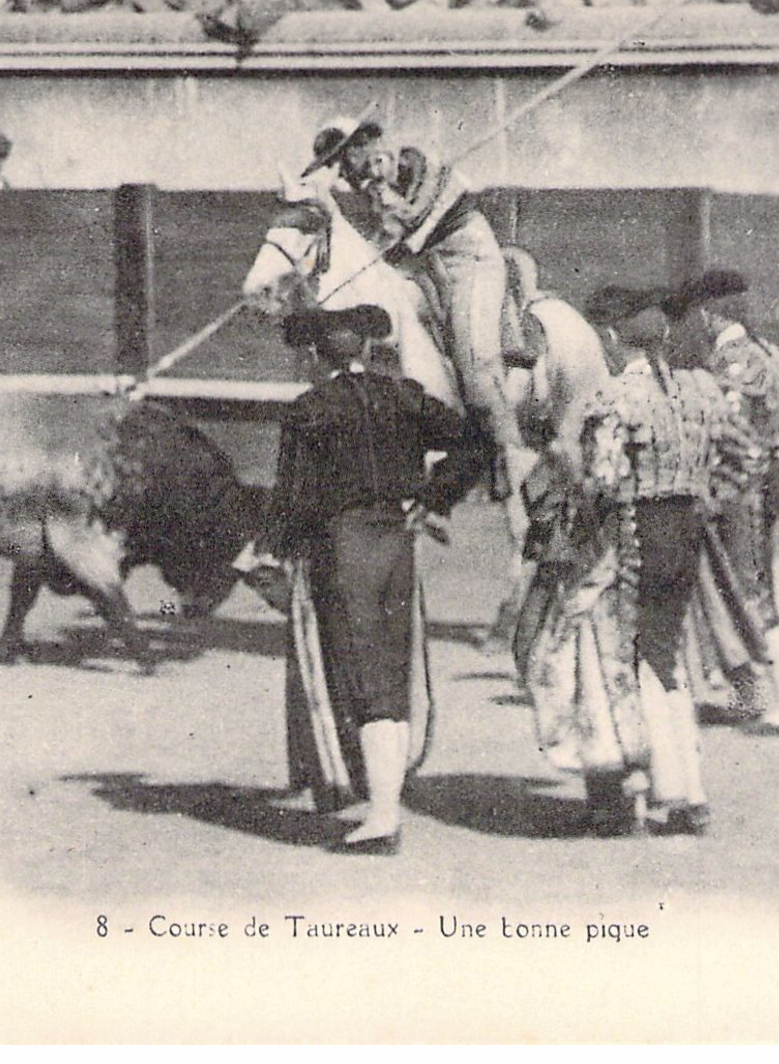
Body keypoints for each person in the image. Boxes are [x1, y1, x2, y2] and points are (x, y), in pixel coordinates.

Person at [516, 285, 753, 837]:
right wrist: (703, 500)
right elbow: (744, 456)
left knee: (638, 662)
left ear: (613, 339)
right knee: (668, 659)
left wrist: (559, 462)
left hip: (634, 539)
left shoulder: (616, 397)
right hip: (687, 536)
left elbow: (600, 481)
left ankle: (666, 794)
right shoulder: (702, 389)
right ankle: (690, 791)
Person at [258, 304, 468, 854]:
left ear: (312, 356)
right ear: (369, 350)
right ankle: (385, 806)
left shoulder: (310, 410)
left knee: (361, 673)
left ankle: (382, 816)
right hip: (397, 540)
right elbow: (473, 442)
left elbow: (292, 497)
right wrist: (432, 498)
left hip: (343, 545)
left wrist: (268, 551)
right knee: (391, 672)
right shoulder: (404, 395)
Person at [301, 116, 539, 524]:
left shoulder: (415, 157)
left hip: (467, 258)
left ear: (361, 147)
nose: (342, 174)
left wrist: (395, 219)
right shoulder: (374, 187)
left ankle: (519, 464)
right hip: (424, 268)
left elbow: (416, 220)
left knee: (477, 367)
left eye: (342, 162)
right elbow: (392, 241)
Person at [665, 269, 779, 736]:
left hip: (738, 492)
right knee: (743, 588)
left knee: (749, 593)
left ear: (708, 314)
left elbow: (737, 445)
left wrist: (711, 497)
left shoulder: (730, 362)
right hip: (765, 486)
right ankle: (749, 695)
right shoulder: (772, 354)